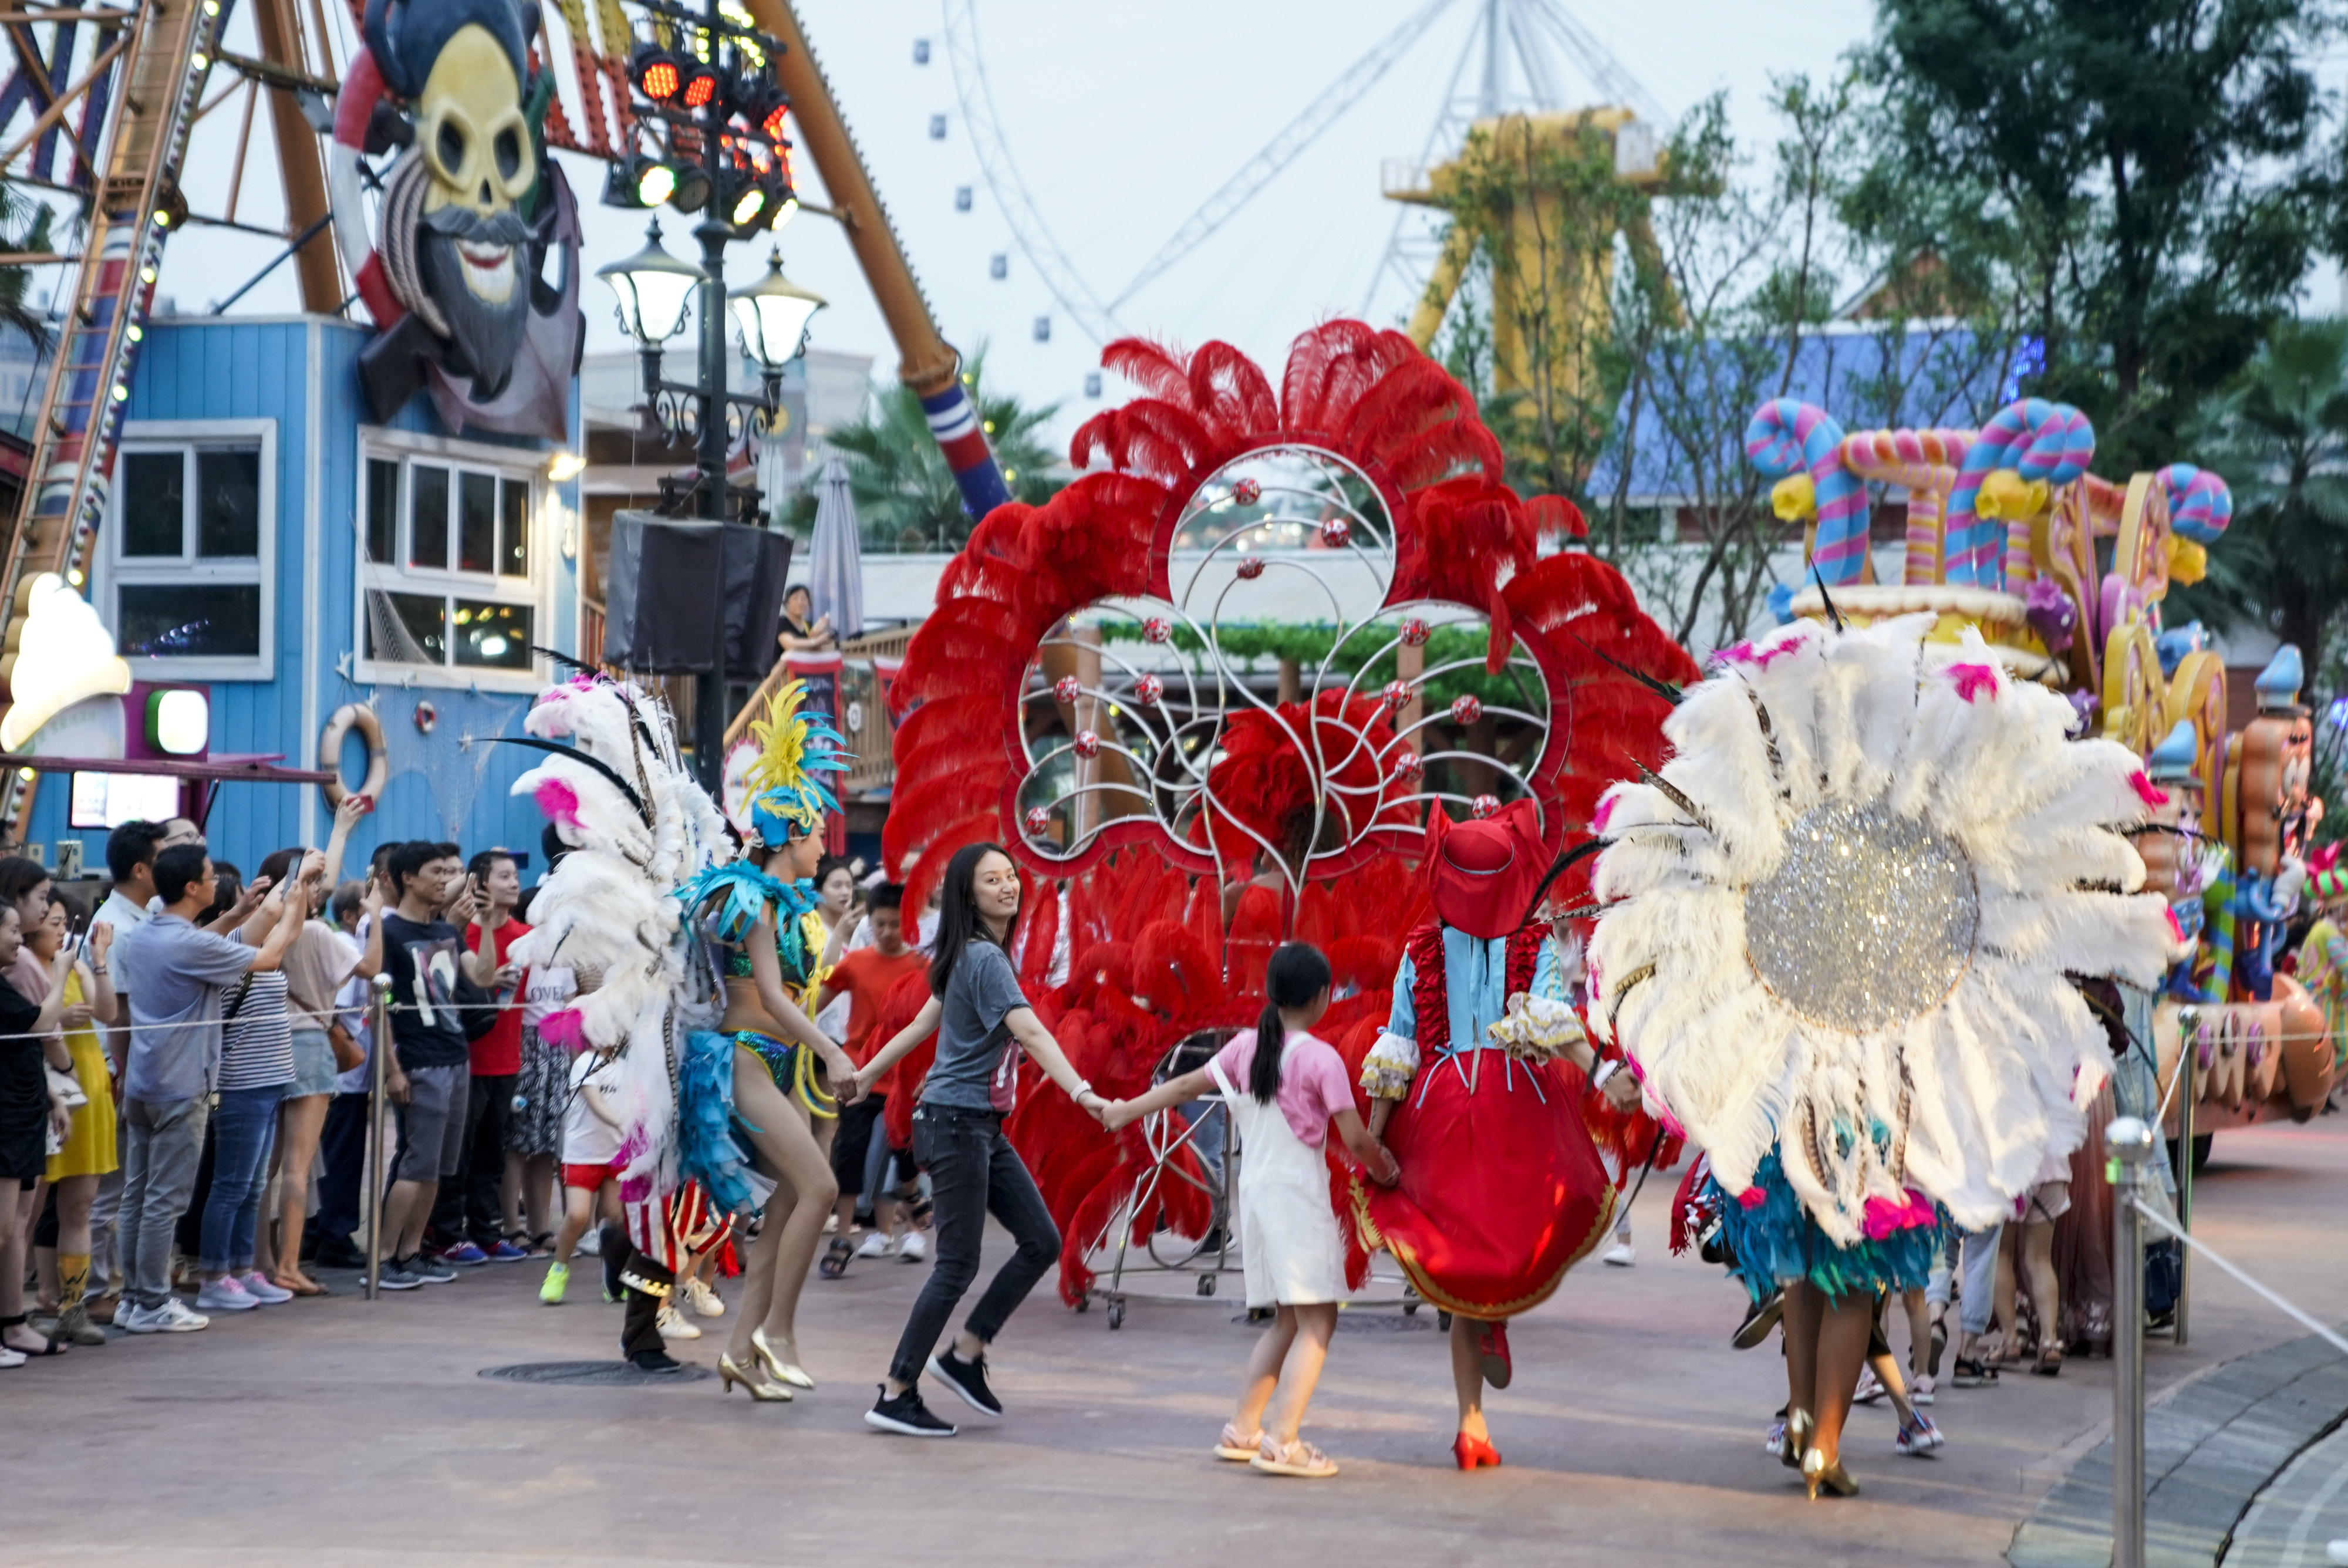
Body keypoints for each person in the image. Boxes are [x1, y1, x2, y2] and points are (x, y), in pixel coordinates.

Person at [1351, 804, 1644, 1471]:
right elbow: (1552, 1022)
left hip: (1440, 1112)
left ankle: (1470, 1422)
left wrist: (1376, 1142)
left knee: (1459, 1263)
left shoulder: (1422, 950)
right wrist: (1601, 1069)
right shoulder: (1531, 945)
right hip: (1516, 1107)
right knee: (1521, 1231)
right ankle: (1495, 1325)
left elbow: (1397, 1047)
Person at [1105, 942, 1399, 1478]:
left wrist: (1127, 1108)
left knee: (1287, 1317)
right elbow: (1356, 1140)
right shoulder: (1320, 1057)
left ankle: (1244, 1427)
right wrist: (1387, 1171)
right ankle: (1284, 1441)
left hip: (1258, 1198)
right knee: (1318, 1318)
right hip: (1296, 1196)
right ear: (1323, 996)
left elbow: (1183, 1084)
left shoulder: (1245, 1046)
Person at [852, 842, 1111, 1438]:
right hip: (956, 1122)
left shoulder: (976, 954)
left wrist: (866, 1074)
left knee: (1040, 1240)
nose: (1007, 885)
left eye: (1011, 876)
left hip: (974, 1125)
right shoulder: (984, 958)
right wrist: (1083, 1093)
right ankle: (896, 1390)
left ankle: (965, 1354)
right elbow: (1029, 1030)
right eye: (991, 879)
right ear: (968, 894)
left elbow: (924, 1024)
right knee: (958, 1264)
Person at [677, 681, 861, 1402]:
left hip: (778, 1063)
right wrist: (836, 1052)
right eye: (818, 833)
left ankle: (740, 1353)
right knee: (819, 1185)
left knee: (786, 1206)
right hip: (747, 1061)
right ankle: (778, 1334)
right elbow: (774, 998)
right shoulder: (751, 898)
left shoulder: (788, 902)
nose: (827, 845)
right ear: (789, 838)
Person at [112, 843, 303, 1334]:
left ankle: (135, 1298)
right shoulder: (187, 943)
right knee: (164, 1201)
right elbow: (269, 956)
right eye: (209, 876)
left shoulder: (147, 935)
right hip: (181, 1086)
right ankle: (154, 1300)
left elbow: (205, 943)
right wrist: (293, 904)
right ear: (193, 887)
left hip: (144, 1083)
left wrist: (241, 912)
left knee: (138, 1195)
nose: (217, 881)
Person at [194, 852, 319, 1314]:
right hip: (240, 1082)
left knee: (250, 1186)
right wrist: (296, 878)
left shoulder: (254, 951)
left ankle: (243, 1269)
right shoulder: (225, 949)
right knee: (231, 1184)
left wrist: (301, 888)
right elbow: (277, 918)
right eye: (245, 897)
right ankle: (213, 1274)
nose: (257, 904)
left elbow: (289, 924)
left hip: (269, 1080)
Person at [373, 841, 497, 1289]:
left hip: (456, 1055)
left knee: (440, 1168)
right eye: (436, 871)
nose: (447, 879)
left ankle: (412, 1252)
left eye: (450, 871)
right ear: (408, 877)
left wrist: (485, 924)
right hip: (420, 1059)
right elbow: (380, 1007)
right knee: (417, 1162)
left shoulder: (445, 930)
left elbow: (481, 976)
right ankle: (385, 1257)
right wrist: (392, 1069)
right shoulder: (389, 933)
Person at [257, 805, 368, 1295]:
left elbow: (312, 882)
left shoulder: (265, 928)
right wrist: (341, 830)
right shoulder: (317, 932)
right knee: (299, 1168)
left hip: (262, 1044)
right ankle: (287, 1264)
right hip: (307, 1043)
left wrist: (340, 831)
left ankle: (255, 1262)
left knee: (266, 1165)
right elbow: (370, 968)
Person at [814, 883, 928, 1275]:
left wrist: (928, 1072)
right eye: (880, 923)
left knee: (906, 1153)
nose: (887, 931)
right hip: (858, 1073)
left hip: (903, 1077)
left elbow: (933, 1027)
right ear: (870, 922)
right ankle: (843, 1234)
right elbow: (813, 1004)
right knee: (850, 1152)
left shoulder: (922, 968)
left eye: (895, 924)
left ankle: (913, 1227)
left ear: (908, 923)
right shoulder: (856, 963)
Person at [430, 848, 529, 1264]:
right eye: (504, 876)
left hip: (508, 1059)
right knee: (458, 1154)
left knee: (492, 1154)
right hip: (468, 1059)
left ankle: (486, 1231)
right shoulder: (459, 933)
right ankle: (447, 1234)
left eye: (514, 876)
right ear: (480, 883)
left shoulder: (527, 935)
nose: (514, 882)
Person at [85, 818, 165, 1319]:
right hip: (116, 1069)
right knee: (106, 1187)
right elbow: (116, 1015)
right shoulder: (111, 926)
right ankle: (94, 1289)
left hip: (132, 1068)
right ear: (141, 869)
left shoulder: (145, 918)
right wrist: (128, 1076)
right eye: (164, 859)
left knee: (126, 1182)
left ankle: (113, 1281)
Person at [35, 891, 117, 1346]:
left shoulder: (75, 962)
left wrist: (98, 960)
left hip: (85, 1085)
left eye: (65, 922)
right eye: (52, 921)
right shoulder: (23, 968)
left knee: (80, 1206)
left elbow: (107, 1011)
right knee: (27, 1209)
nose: (61, 930)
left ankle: (73, 1306)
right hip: (42, 1087)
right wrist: (58, 1016)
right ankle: (28, 1301)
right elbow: (34, 1023)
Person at [536, 1043, 623, 1303]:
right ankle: (558, 1270)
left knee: (613, 1219)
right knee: (577, 1215)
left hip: (617, 1153)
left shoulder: (629, 1065)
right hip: (582, 1153)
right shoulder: (584, 1063)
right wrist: (624, 1123)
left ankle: (612, 1276)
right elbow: (595, 1102)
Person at [774, 584, 835, 652]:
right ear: (787, 603)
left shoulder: (808, 625)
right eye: (795, 598)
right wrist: (817, 641)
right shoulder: (781, 622)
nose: (800, 602)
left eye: (803, 599)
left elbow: (814, 651)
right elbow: (790, 645)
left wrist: (816, 633)